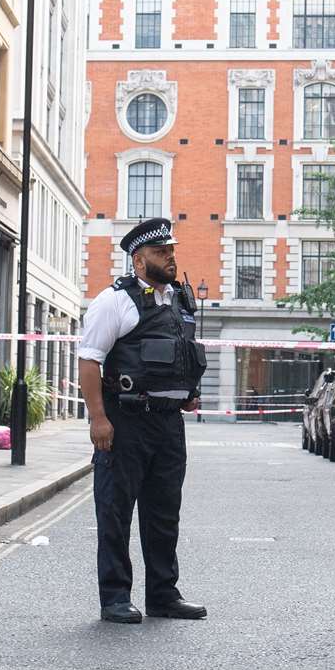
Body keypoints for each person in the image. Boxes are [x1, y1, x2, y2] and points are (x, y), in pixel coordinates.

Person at [78, 217, 208, 624]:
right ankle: (115, 597)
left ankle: (163, 594)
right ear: (138, 260)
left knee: (164, 511)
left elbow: (178, 355)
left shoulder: (178, 301)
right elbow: (89, 361)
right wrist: (98, 418)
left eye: (171, 250)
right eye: (160, 252)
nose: (170, 257)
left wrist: (186, 392)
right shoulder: (114, 302)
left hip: (168, 424)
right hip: (125, 420)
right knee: (116, 510)